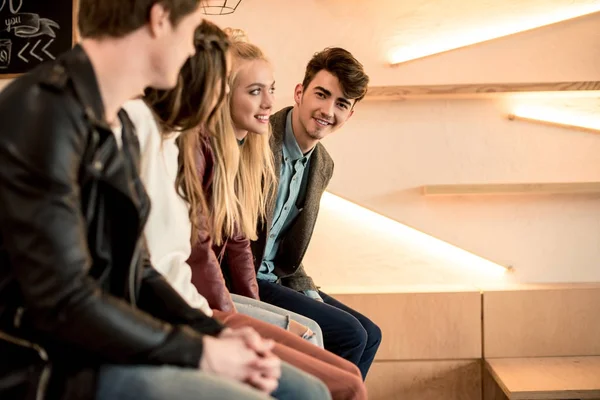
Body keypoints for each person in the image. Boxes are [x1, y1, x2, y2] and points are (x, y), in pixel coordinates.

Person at [0, 2, 278, 399]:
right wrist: (202, 353)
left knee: (302, 388)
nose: (190, 50)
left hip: (100, 344)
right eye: (193, 27)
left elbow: (140, 267)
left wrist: (215, 333)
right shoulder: (42, 113)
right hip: (50, 366)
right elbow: (64, 300)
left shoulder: (119, 121)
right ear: (159, 17)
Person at [126, 20, 366, 400]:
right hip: (200, 296)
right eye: (255, 91)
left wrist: (259, 306)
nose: (268, 103)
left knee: (360, 338)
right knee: (339, 354)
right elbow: (195, 254)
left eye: (341, 104)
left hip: (225, 291)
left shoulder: (286, 158)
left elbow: (246, 240)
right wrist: (238, 318)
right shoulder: (188, 142)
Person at [251, 47, 382, 379]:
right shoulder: (258, 140)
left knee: (370, 335)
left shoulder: (323, 164)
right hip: (245, 277)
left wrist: (308, 292)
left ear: (349, 115)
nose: (327, 110)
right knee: (350, 334)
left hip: (277, 278)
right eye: (321, 95)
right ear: (299, 93)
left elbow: (289, 248)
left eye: (341, 104)